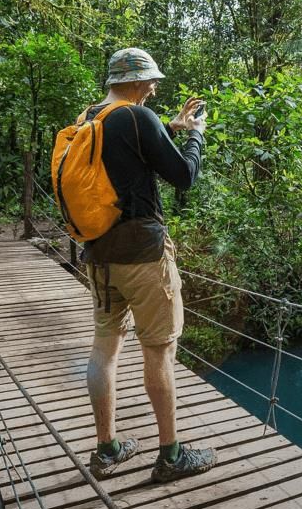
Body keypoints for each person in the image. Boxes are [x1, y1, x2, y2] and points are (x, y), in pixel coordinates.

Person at [81, 47, 216, 482]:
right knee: (159, 350)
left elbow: (126, 164)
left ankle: (107, 449)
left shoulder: (91, 118)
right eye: (152, 81)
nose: (155, 88)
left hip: (99, 255)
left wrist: (168, 127)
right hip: (142, 253)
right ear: (137, 82)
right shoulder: (139, 118)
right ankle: (171, 456)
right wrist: (195, 133)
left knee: (104, 349)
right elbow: (184, 177)